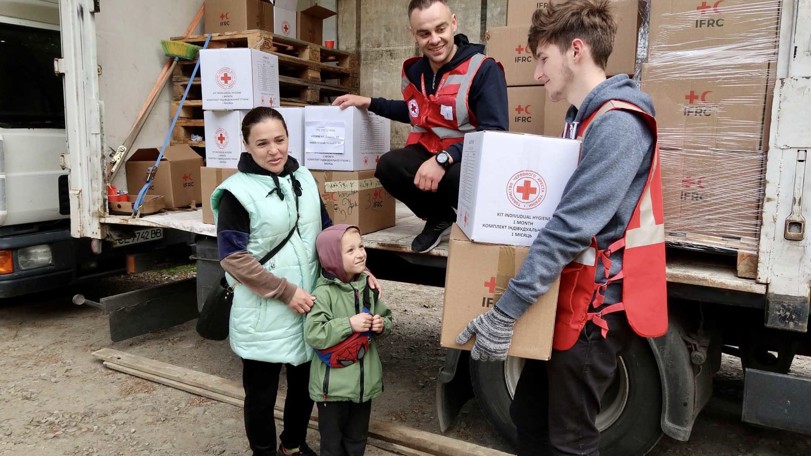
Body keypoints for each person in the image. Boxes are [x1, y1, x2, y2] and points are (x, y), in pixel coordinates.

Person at [455, 1, 668, 455]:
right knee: (528, 415)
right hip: (565, 298)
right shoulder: (582, 119)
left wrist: (506, 311)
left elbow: (570, 227)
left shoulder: (617, 124)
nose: (536, 73)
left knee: (570, 440)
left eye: (542, 58)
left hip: (593, 313)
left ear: (576, 50)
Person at [332, 0, 509, 253]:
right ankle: (440, 218)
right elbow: (416, 112)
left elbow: (495, 133)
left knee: (456, 178)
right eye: (424, 33)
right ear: (413, 34)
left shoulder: (483, 69)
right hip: (431, 148)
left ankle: (479, 222)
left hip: (467, 156)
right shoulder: (416, 71)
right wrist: (369, 102)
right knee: (388, 166)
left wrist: (444, 160)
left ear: (454, 23)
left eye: (441, 29)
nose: (434, 40)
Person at [211, 107, 331, 456]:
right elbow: (233, 259)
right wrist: (284, 291)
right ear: (247, 145)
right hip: (264, 311)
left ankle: (292, 444)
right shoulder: (237, 193)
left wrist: (356, 267)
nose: (274, 150)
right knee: (261, 395)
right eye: (262, 143)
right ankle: (263, 452)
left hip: (307, 305)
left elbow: (325, 231)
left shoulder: (305, 178)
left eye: (279, 139)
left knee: (303, 387)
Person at [305, 224, 392, 456]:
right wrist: (349, 324)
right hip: (332, 391)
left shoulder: (368, 287)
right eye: (350, 250)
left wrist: (382, 325)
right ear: (333, 257)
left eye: (361, 246)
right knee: (332, 446)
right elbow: (314, 333)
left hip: (364, 388)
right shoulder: (324, 293)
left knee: (357, 441)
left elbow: (387, 317)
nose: (360, 253)